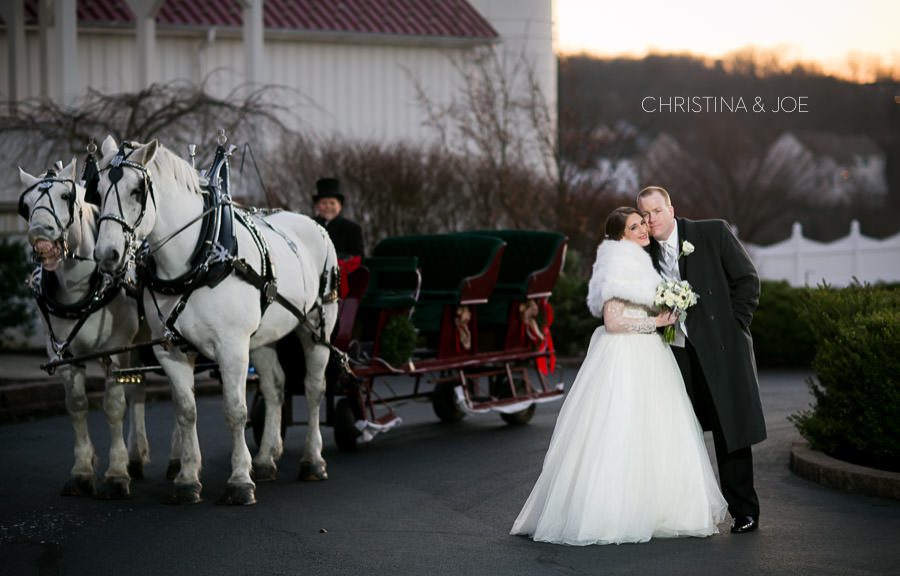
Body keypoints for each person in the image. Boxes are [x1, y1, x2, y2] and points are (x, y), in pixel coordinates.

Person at [510, 207, 727, 546]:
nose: (643, 229)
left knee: (656, 433)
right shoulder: (617, 263)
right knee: (619, 430)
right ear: (620, 235)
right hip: (624, 354)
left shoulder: (640, 261)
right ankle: (612, 512)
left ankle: (657, 507)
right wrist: (655, 323)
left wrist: (669, 306)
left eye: (642, 223)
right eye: (635, 226)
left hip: (650, 354)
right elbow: (612, 321)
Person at [636, 185, 766, 534]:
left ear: (671, 208)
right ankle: (689, 513)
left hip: (722, 349)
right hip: (674, 352)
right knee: (681, 432)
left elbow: (747, 280)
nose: (650, 220)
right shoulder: (642, 252)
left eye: (656, 212)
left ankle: (744, 512)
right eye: (644, 215)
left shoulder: (712, 232)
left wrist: (734, 326)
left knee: (730, 429)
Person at [312, 177, 364, 260]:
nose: (328, 206)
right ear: (317, 206)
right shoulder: (310, 225)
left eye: (332, 203)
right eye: (324, 203)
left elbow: (358, 256)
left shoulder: (353, 229)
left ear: (340, 206)